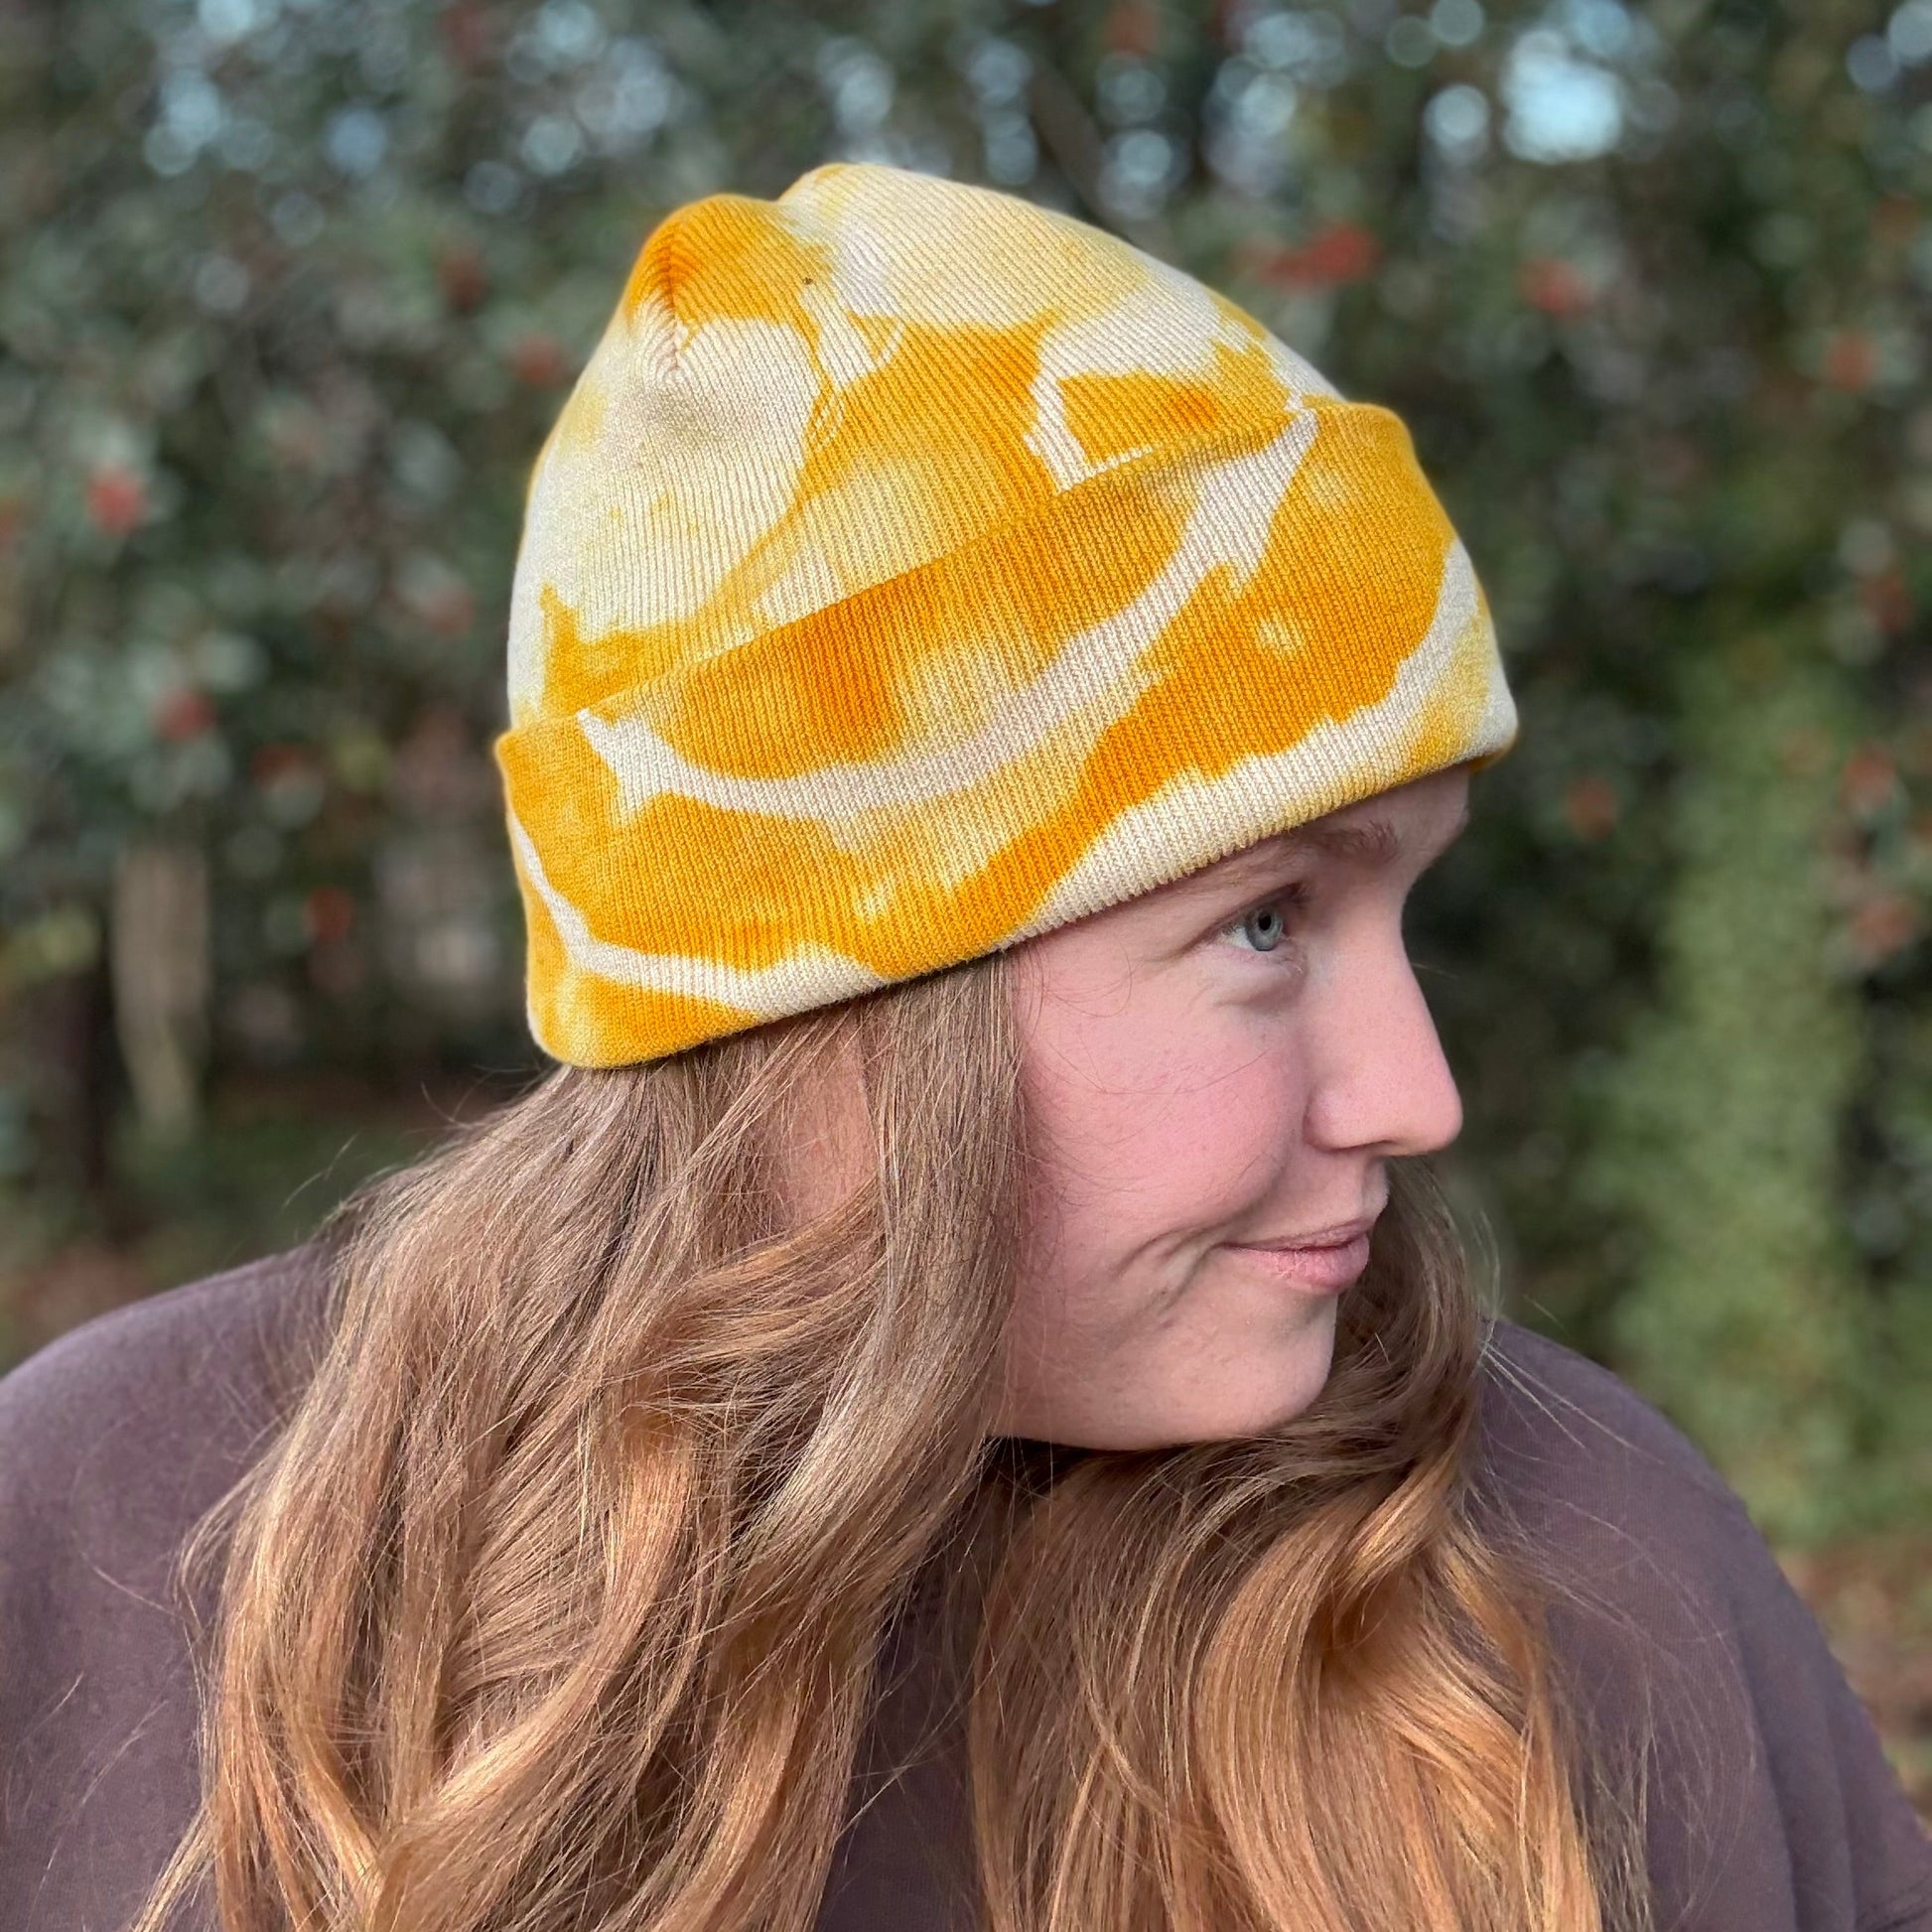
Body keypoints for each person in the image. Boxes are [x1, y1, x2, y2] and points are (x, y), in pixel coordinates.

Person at [1, 162, 1926, 1932]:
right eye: (1262, 918)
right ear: (810, 998)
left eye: (1394, 904)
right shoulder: (112, 1533)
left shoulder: (1568, 1562)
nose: (1413, 1093)